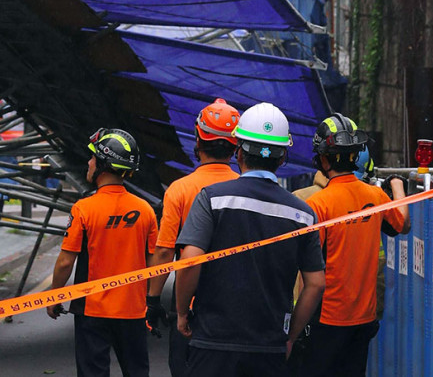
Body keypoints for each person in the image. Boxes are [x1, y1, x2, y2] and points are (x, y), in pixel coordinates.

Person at [174, 102, 325, 377]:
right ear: (282, 158)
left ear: (239, 151)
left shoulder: (212, 198)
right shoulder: (302, 214)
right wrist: (290, 336)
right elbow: (315, 284)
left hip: (213, 343)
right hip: (269, 348)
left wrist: (182, 311)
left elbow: (190, 260)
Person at [298, 114, 410, 377]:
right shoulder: (375, 196)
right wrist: (397, 185)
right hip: (364, 318)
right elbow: (402, 224)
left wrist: (296, 326)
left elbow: (309, 271)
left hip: (326, 319)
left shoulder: (319, 204)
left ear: (323, 159)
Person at [46, 128, 158, 377]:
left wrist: (55, 295)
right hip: (133, 310)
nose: (88, 162)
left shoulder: (84, 209)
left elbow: (66, 261)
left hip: (92, 311)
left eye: (93, 157)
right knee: (137, 372)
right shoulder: (146, 210)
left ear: (103, 165)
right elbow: (154, 261)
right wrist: (151, 300)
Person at [145, 98, 241, 377]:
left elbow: (164, 252)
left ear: (198, 139)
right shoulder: (244, 187)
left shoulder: (179, 189)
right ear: (236, 146)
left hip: (191, 305)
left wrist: (152, 300)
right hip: (236, 305)